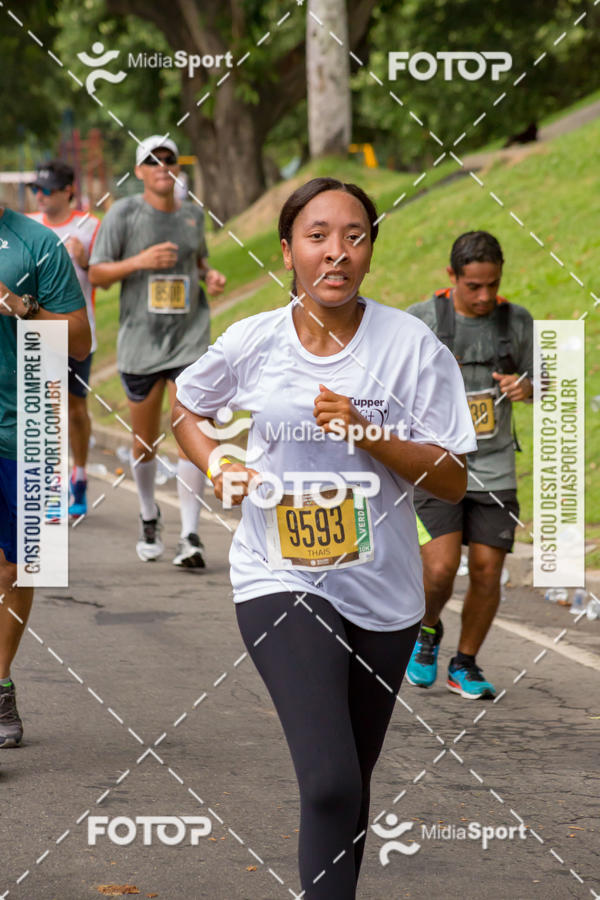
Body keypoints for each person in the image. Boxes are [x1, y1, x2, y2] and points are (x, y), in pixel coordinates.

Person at [172, 177, 477, 898]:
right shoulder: (256, 339)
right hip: (278, 572)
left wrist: (369, 434)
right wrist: (218, 463)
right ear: (288, 252)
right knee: (331, 778)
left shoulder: (411, 347)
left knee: (350, 784)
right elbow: (186, 406)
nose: (336, 252)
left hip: (385, 591)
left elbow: (452, 479)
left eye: (354, 236)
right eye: (317, 237)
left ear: (370, 249)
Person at [406, 231, 534, 699]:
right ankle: (427, 630)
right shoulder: (420, 320)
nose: (484, 296)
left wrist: (527, 387)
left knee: (486, 570)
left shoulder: (516, 321)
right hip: (438, 464)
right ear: (452, 277)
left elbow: (547, 381)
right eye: (473, 286)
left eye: (492, 285)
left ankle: (465, 663)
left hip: (495, 466)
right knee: (441, 569)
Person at [88, 136, 226, 567]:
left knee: (190, 434)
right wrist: (140, 261)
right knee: (144, 442)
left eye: (169, 159)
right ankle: (149, 514)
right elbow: (97, 274)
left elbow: (197, 262)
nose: (162, 165)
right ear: (140, 171)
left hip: (188, 338)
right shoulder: (124, 213)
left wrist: (210, 275)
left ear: (178, 167)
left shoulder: (192, 214)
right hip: (142, 342)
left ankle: (190, 536)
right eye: (152, 160)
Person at [0, 205, 91, 747]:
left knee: (18, 568)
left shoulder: (37, 243)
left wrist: (22, 307)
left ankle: (0, 683)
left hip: (28, 425)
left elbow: (79, 341)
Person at [28, 160, 101, 518]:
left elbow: (103, 277)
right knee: (46, 411)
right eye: (35, 189)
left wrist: (85, 261)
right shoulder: (26, 225)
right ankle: (52, 488)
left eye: (47, 189)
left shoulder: (90, 225)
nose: (40, 195)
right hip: (37, 333)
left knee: (75, 410)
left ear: (68, 190)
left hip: (77, 335)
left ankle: (80, 476)